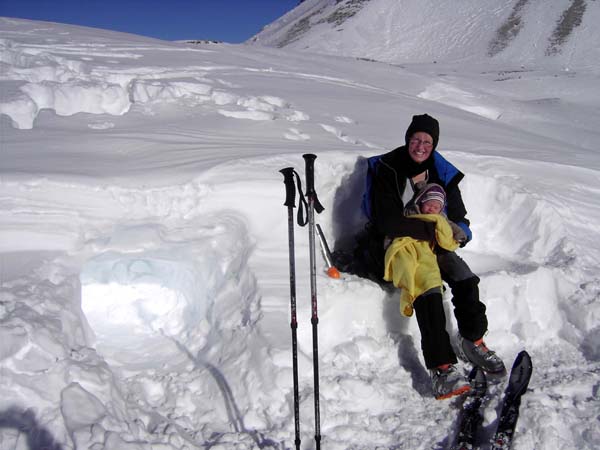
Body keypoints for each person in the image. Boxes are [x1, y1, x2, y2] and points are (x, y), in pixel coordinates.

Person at [366, 113, 505, 399]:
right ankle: (441, 367)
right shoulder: (389, 168)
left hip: (436, 243)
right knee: (427, 291)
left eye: (427, 141)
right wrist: (429, 230)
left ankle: (472, 340)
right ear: (407, 140)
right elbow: (386, 220)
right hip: (402, 244)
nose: (420, 146)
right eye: (415, 139)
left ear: (434, 144)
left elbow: (458, 214)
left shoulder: (440, 170)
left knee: (465, 279)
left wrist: (459, 232)